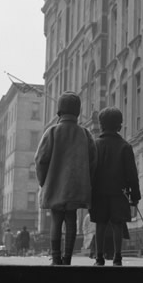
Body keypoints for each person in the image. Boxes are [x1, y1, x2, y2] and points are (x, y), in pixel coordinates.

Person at [35, 91, 97, 266]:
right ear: (77, 112)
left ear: (58, 112)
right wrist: (87, 180)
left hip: (55, 185)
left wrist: (44, 182)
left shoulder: (52, 132)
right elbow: (94, 161)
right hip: (77, 187)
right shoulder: (85, 134)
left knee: (56, 219)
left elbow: (40, 160)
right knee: (71, 219)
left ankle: (56, 258)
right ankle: (67, 258)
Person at [90, 107, 141, 267]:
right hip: (119, 193)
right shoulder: (125, 146)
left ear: (101, 125)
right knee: (118, 224)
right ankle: (118, 257)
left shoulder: (95, 145)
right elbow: (132, 174)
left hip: (98, 193)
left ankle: (99, 258)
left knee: (100, 223)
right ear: (119, 126)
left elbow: (90, 170)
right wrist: (135, 195)